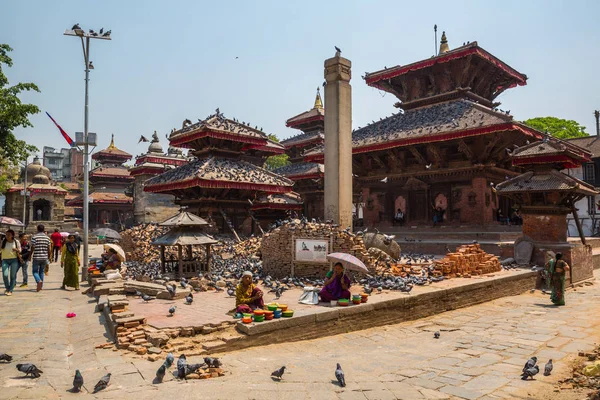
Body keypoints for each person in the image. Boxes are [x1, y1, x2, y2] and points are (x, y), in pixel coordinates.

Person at [30, 224, 51, 292]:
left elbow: (32, 247)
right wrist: (49, 256)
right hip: (44, 257)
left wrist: (30, 255)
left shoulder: (34, 237)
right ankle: (40, 286)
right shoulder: (47, 238)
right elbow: (49, 249)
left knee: (35, 271)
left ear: (37, 229)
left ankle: (38, 281)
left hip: (36, 256)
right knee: (41, 271)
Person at [1, 229, 21, 296]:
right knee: (5, 275)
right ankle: (7, 288)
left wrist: (16, 249)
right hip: (5, 260)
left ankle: (10, 290)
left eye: (9, 235)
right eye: (6, 234)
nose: (7, 236)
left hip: (14, 260)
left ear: (12, 235)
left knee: (12, 276)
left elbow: (20, 250)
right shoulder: (3, 241)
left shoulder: (16, 242)